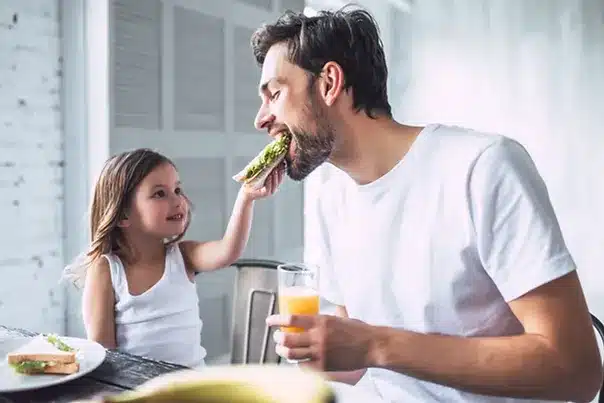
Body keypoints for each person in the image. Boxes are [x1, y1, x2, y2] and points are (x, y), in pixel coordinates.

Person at [251, 6, 603, 403]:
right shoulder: (329, 197)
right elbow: (360, 356)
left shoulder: (482, 167)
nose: (261, 119)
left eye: (274, 94)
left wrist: (374, 344)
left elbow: (576, 369)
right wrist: (320, 349)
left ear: (329, 82)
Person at [62, 148, 283, 369]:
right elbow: (103, 352)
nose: (177, 201)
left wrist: (245, 198)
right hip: (137, 391)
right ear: (123, 215)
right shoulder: (106, 269)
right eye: (160, 193)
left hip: (192, 386)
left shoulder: (184, 256)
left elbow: (228, 251)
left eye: (177, 189)